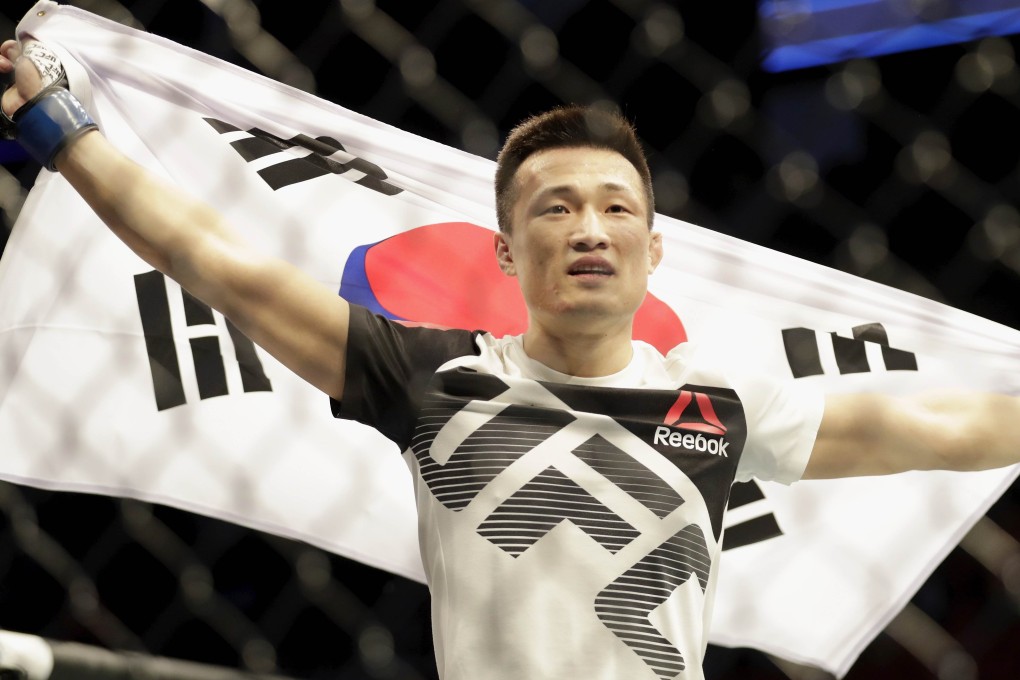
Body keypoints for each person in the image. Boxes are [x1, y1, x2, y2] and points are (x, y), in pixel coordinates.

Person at [3, 37, 1020, 680]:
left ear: (651, 249)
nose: (590, 228)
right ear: (504, 251)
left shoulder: (715, 404)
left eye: (618, 208)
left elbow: (941, 425)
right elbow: (218, 263)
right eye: (556, 208)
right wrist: (63, 131)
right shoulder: (430, 376)